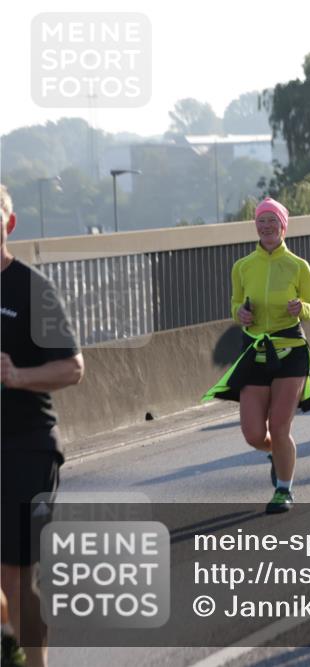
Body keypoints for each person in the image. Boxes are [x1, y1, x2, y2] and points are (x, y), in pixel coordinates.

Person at [1, 184, 85, 667]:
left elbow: (73, 367)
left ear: (8, 225)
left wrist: (18, 376)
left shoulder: (32, 288)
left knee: (15, 573)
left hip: (27, 447)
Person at [202, 197, 310, 514]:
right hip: (255, 349)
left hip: (291, 351)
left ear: (283, 226)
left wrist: (302, 308)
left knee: (279, 426)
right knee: (254, 433)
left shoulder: (298, 266)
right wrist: (239, 314)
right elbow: (235, 304)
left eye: (273, 221)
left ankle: (284, 490)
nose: (267, 227)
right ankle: (276, 453)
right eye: (262, 221)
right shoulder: (242, 267)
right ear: (256, 226)